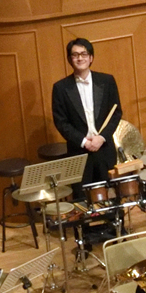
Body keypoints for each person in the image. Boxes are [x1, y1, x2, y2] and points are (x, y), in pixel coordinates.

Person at [51, 38, 122, 185]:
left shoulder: (107, 81)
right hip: (79, 152)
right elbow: (61, 122)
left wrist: (101, 137)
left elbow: (116, 113)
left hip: (104, 149)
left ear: (91, 58)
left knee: (110, 193)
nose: (80, 58)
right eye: (75, 55)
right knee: (82, 196)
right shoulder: (60, 88)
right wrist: (84, 142)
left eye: (84, 54)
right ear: (69, 59)